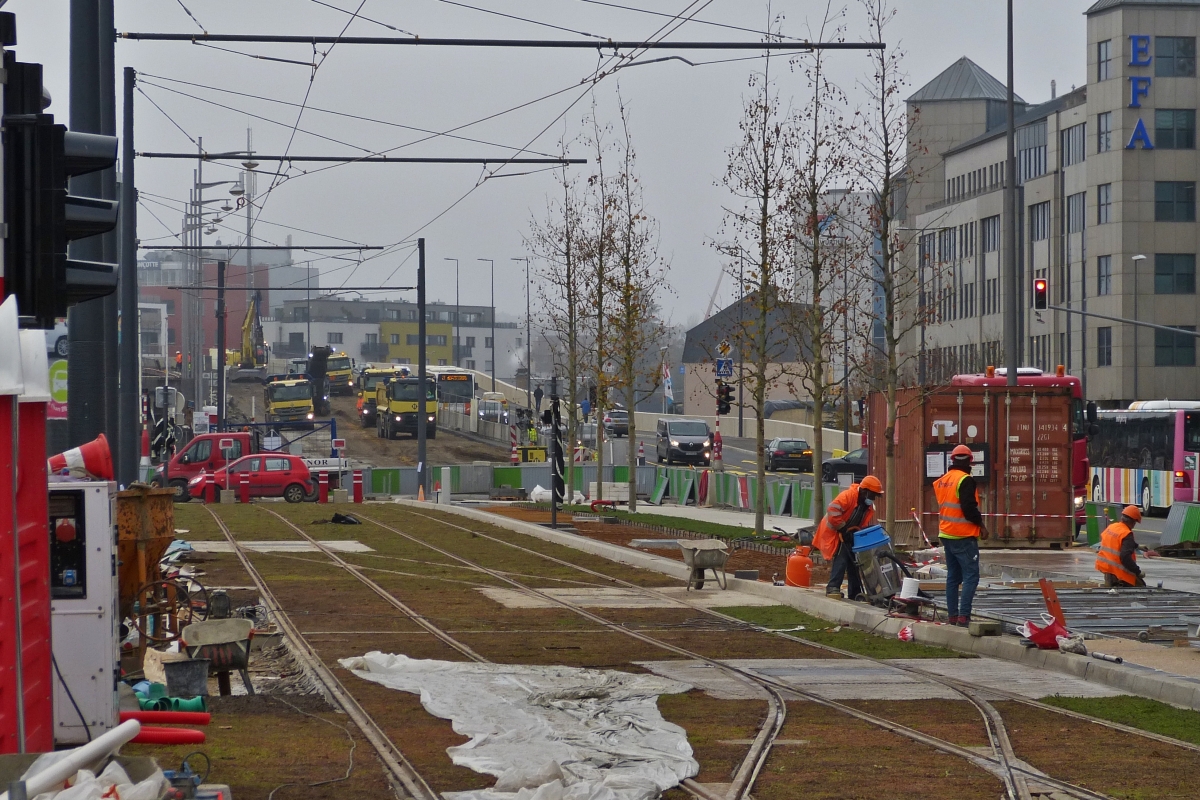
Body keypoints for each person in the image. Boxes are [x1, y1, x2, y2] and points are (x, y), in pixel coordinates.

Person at [935, 444, 987, 627]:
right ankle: (964, 616)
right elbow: (968, 509)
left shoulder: (943, 480)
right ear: (970, 461)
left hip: (946, 533)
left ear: (952, 460)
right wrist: (981, 525)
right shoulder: (965, 480)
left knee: (953, 577)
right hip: (963, 535)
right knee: (971, 576)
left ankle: (952, 616)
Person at [814, 475, 883, 600]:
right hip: (835, 532)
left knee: (855, 562)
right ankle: (833, 587)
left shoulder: (865, 505)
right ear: (864, 491)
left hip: (849, 533)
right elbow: (832, 509)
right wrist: (842, 528)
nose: (873, 499)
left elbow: (861, 522)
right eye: (872, 495)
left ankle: (855, 592)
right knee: (842, 557)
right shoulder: (848, 496)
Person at [1095, 505, 1147, 587]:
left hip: (1107, 569)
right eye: (1135, 522)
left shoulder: (1112, 527)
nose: (1134, 525)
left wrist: (1136, 546)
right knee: (1141, 588)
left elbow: (1116, 542)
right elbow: (1125, 557)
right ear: (1132, 521)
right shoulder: (1127, 533)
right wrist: (1138, 572)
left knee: (1111, 592)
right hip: (1119, 572)